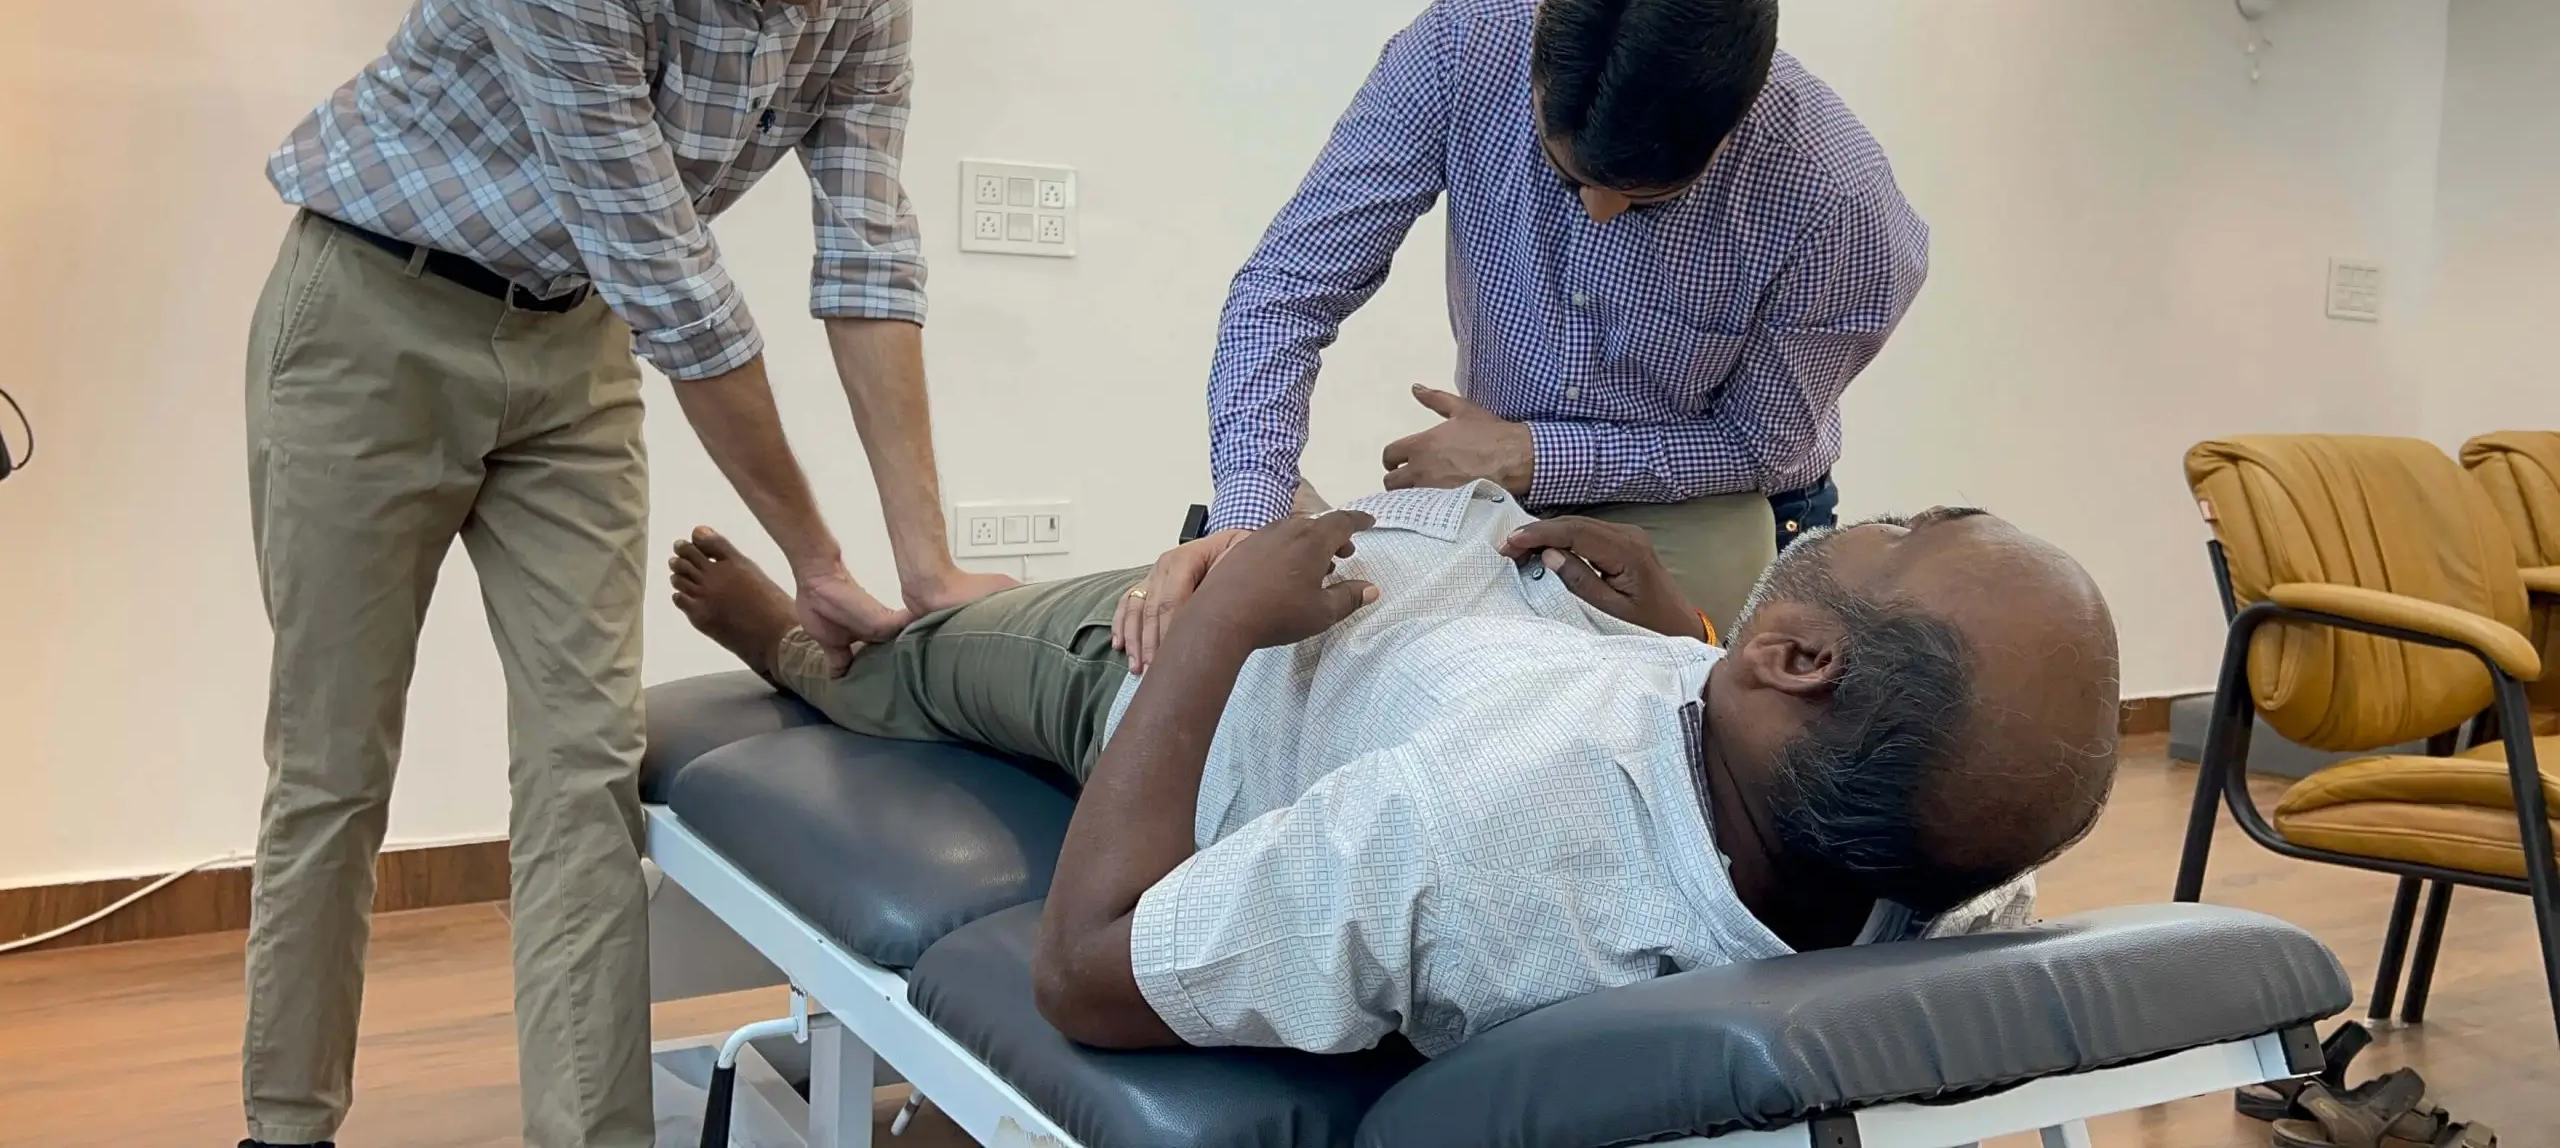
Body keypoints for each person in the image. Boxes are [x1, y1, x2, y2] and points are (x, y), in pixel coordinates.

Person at [238, 0, 1009, 1145]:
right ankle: (284, 1128)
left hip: (572, 345)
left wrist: (926, 564)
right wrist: (814, 560)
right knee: (334, 770)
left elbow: (866, 255)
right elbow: (680, 289)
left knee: (584, 770)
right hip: (371, 325)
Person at [668, 483, 2121, 1057]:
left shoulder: (1463, 836)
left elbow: (1087, 972)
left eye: (1906, 531)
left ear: (1801, 659)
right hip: (1470, 614)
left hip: (1195, 685)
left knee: (939, 657)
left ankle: (813, 656)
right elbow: (1732, 837)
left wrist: (1218, 628)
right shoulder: (1934, 868)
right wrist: (1684, 644)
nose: (1880, 515)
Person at [1168, 0, 1928, 670]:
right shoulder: (1465, 43)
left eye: (1646, 200)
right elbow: (1289, 288)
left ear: (1738, 123)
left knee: (1674, 731)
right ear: (1535, 59)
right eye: (1568, 179)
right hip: (1502, 498)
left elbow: (1755, 443)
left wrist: (1531, 455)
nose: (1598, 214)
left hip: (1728, 510)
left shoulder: (1844, 207)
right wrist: (1248, 518)